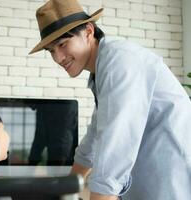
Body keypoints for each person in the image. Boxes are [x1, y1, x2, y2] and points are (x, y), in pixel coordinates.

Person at [29, 0, 191, 200]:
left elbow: (117, 141)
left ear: (89, 31)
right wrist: (68, 187)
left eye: (62, 44)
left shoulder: (119, 63)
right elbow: (95, 137)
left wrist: (98, 192)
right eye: (51, 50)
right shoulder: (104, 70)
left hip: (173, 184)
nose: (58, 57)